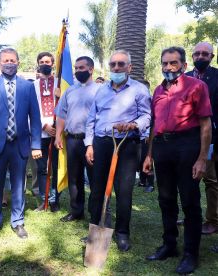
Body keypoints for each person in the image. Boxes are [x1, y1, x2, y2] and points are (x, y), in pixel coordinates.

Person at [144, 47, 212, 274]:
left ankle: (191, 254)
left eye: (173, 63)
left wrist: (202, 158)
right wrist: (149, 154)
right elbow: (154, 125)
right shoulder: (158, 90)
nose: (168, 67)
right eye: (165, 63)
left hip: (187, 146)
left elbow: (205, 125)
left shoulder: (197, 86)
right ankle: (169, 245)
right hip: (163, 146)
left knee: (190, 202)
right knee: (166, 199)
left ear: (183, 65)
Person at [85, 50, 151, 251]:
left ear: (129, 67)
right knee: (97, 191)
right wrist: (89, 144)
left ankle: (122, 233)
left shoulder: (139, 90)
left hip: (127, 145)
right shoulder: (100, 90)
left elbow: (147, 117)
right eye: (113, 64)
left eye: (121, 64)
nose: (116, 68)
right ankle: (95, 231)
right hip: (102, 143)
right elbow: (91, 118)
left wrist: (133, 124)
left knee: (124, 192)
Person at [0, 48, 42, 240]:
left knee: (18, 185)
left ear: (18, 62)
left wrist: (36, 144)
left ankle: (18, 221)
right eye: (5, 60)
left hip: (19, 145)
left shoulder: (27, 87)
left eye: (12, 60)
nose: (9, 63)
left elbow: (35, 117)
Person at [55, 56, 100, 222]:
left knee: (95, 180)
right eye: (76, 68)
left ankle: (95, 215)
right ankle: (76, 211)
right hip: (72, 141)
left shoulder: (100, 90)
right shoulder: (70, 91)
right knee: (74, 178)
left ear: (91, 69)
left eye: (82, 68)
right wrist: (58, 135)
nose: (78, 71)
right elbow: (61, 114)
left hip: (92, 143)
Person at [186, 42, 218, 235]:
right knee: (189, 178)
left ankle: (213, 220)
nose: (200, 57)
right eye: (197, 54)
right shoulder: (185, 78)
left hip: (212, 137)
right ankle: (192, 215)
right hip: (188, 139)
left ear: (211, 57)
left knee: (211, 180)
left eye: (204, 54)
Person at [33, 52, 60, 212]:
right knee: (42, 168)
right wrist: (44, 126)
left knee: (56, 167)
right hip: (40, 132)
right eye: (42, 61)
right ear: (38, 63)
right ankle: (44, 201)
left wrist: (61, 96)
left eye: (48, 61)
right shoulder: (32, 85)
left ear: (53, 63)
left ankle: (55, 200)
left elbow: (68, 107)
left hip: (58, 133)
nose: (45, 63)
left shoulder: (60, 84)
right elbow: (30, 110)